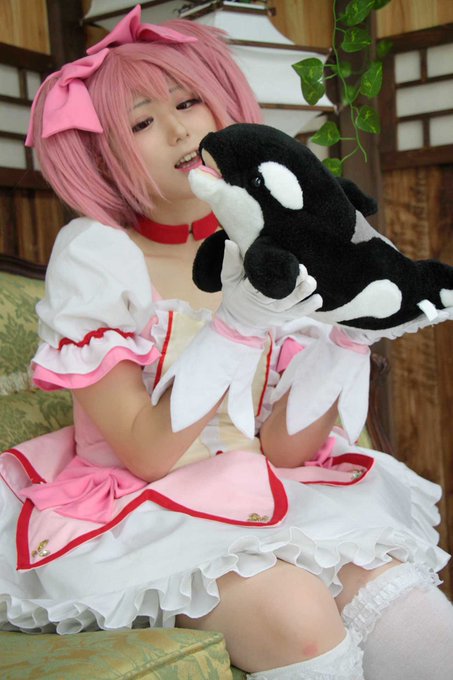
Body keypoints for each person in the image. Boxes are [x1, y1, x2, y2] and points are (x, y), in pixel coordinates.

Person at [1, 6, 452, 679]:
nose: (179, 129)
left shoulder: (270, 246)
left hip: (271, 486)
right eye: (142, 122)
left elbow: (285, 448)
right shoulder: (98, 255)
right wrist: (235, 325)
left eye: (188, 101)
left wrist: (347, 338)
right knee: (297, 619)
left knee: (419, 617)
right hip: (145, 507)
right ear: (103, 155)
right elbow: (148, 454)